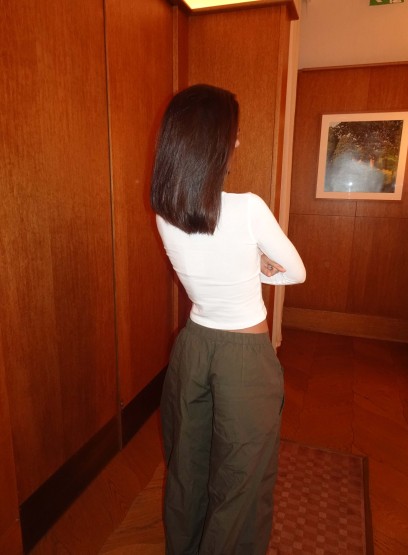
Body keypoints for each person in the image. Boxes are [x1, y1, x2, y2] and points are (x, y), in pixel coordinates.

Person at [151, 84, 306, 555]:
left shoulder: (165, 213)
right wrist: (259, 264)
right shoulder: (248, 208)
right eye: (233, 133)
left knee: (187, 466)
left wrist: (248, 263)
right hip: (244, 359)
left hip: (193, 349)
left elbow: (209, 263)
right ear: (214, 142)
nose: (237, 141)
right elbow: (296, 272)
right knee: (241, 476)